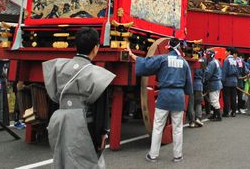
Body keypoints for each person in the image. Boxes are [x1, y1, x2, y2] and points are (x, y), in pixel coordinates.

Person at [42, 28, 115, 169]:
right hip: (83, 123)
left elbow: (53, 96)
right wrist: (103, 133)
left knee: (61, 159)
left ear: (76, 46)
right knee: (86, 162)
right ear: (96, 48)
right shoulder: (98, 74)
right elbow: (101, 108)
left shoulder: (58, 67)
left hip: (59, 119)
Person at [128, 38, 192, 163]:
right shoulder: (184, 63)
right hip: (178, 97)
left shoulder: (162, 59)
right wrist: (186, 92)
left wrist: (131, 54)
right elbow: (189, 84)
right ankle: (177, 155)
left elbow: (146, 63)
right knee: (178, 128)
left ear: (168, 47)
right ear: (179, 48)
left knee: (158, 126)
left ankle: (153, 155)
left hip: (164, 96)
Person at [203, 49, 223, 121]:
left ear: (210, 55)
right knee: (215, 100)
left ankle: (219, 116)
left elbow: (208, 74)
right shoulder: (217, 61)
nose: (206, 56)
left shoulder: (211, 63)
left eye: (207, 55)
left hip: (214, 83)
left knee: (214, 100)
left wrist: (204, 80)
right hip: (218, 82)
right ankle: (215, 115)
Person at [187, 54, 205, 128]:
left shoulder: (190, 62)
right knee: (198, 103)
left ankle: (192, 121)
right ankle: (198, 118)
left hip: (191, 85)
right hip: (199, 85)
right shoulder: (202, 62)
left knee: (190, 104)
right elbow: (204, 74)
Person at [221, 48, 239, 117]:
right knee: (233, 97)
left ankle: (226, 112)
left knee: (226, 97)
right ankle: (233, 112)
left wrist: (222, 81)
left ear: (229, 52)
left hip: (227, 81)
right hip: (234, 81)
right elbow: (237, 71)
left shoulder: (226, 60)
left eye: (226, 51)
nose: (225, 52)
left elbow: (224, 71)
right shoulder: (235, 60)